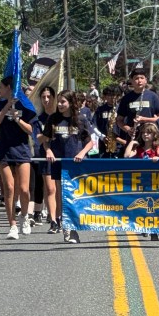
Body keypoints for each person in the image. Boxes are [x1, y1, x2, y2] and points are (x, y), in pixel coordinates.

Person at [41, 90, 94, 244]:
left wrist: (82, 153)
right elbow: (46, 140)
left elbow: (89, 142)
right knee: (63, 196)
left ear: (71, 102)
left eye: (63, 101)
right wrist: (49, 150)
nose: (60, 104)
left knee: (75, 196)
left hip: (76, 164)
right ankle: (68, 229)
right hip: (59, 163)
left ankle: (74, 226)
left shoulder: (80, 119)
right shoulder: (53, 119)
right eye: (58, 101)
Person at [0, 77, 36, 239]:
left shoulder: (26, 105)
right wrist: (6, 107)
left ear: (9, 87)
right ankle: (12, 225)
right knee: (9, 188)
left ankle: (24, 216)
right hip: (4, 150)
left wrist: (17, 118)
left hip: (22, 150)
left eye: (1, 87)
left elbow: (31, 130)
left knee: (24, 189)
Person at [32, 86, 57, 228]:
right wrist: (47, 135)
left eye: (49, 97)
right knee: (50, 188)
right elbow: (38, 139)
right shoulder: (38, 119)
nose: (46, 100)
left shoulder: (59, 116)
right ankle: (52, 219)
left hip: (61, 155)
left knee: (58, 189)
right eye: (43, 97)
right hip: (45, 155)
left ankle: (58, 215)